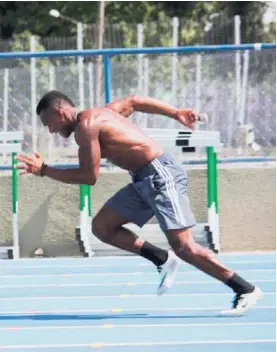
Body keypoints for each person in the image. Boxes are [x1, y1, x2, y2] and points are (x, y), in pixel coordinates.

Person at [17, 90, 263, 314]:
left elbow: (88, 176)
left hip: (160, 175)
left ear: (60, 112)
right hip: (142, 179)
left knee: (185, 247)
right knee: (102, 227)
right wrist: (175, 112)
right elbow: (133, 101)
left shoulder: (86, 126)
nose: (50, 130)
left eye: (48, 123)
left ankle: (244, 289)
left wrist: (44, 170)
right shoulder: (104, 113)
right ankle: (162, 259)